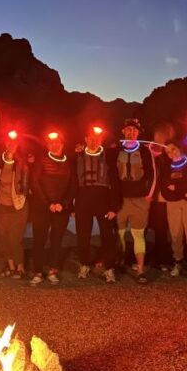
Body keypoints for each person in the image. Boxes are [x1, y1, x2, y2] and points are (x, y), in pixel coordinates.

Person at [74, 125, 121, 283]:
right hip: (83, 199)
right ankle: (84, 263)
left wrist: (114, 206)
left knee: (107, 235)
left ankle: (109, 268)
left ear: (101, 140)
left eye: (97, 138)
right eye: (90, 138)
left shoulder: (109, 156)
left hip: (103, 199)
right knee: (83, 234)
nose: (93, 141)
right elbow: (72, 182)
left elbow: (114, 182)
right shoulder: (77, 156)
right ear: (85, 139)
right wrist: (72, 206)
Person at [30, 131, 76, 285]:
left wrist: (63, 204)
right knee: (39, 240)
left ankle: (52, 270)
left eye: (58, 143)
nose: (55, 145)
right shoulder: (40, 160)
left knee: (57, 240)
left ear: (62, 145)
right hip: (42, 208)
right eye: (52, 143)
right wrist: (48, 203)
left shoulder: (69, 162)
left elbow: (73, 186)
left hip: (61, 209)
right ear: (48, 145)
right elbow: (34, 183)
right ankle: (37, 271)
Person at [116, 118, 155, 283]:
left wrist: (149, 195)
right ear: (123, 132)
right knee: (119, 234)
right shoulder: (115, 150)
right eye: (128, 130)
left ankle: (140, 270)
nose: (131, 133)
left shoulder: (145, 151)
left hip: (140, 199)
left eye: (134, 130)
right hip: (120, 200)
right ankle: (119, 262)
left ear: (138, 133)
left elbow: (152, 174)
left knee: (138, 234)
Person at [156, 144, 187, 283]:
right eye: (168, 152)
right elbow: (165, 187)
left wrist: (176, 187)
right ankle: (178, 262)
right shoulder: (166, 167)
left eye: (173, 149)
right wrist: (184, 190)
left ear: (180, 148)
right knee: (175, 235)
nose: (172, 153)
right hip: (173, 203)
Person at [0, 129, 30, 279]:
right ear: (5, 143)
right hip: (1, 204)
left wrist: (23, 195)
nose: (11, 145)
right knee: (4, 236)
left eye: (14, 143)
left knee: (15, 238)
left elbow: (26, 183)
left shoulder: (22, 162)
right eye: (8, 142)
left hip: (18, 205)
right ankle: (10, 266)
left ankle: (20, 267)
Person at [148, 123, 174, 272]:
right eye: (157, 134)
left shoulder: (169, 153)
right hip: (149, 196)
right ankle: (144, 257)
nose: (159, 137)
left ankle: (162, 258)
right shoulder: (148, 150)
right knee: (147, 227)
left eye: (162, 135)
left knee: (161, 228)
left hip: (163, 198)